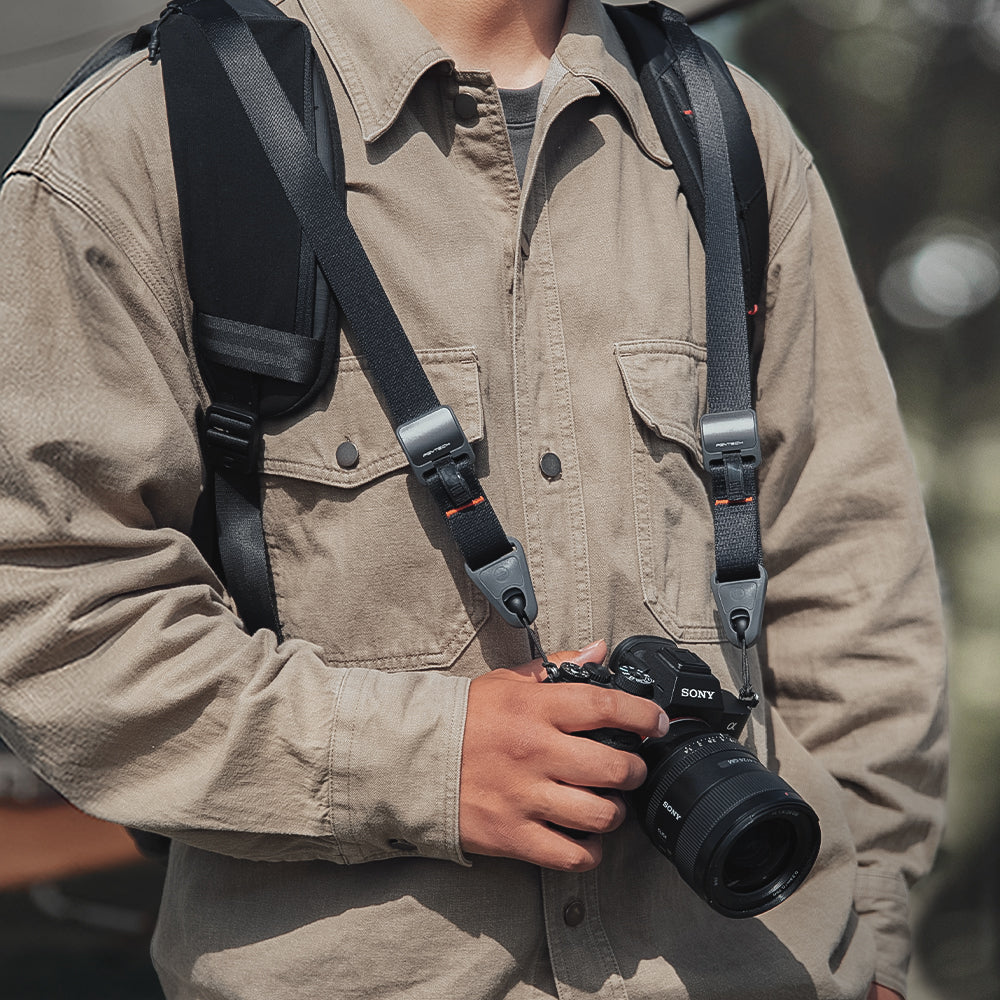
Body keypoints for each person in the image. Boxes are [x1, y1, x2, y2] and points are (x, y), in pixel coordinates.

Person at [0, 1, 946, 998]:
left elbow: (854, 578)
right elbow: (53, 607)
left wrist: (874, 937)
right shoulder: (145, 137)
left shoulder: (724, 129)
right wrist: (421, 763)